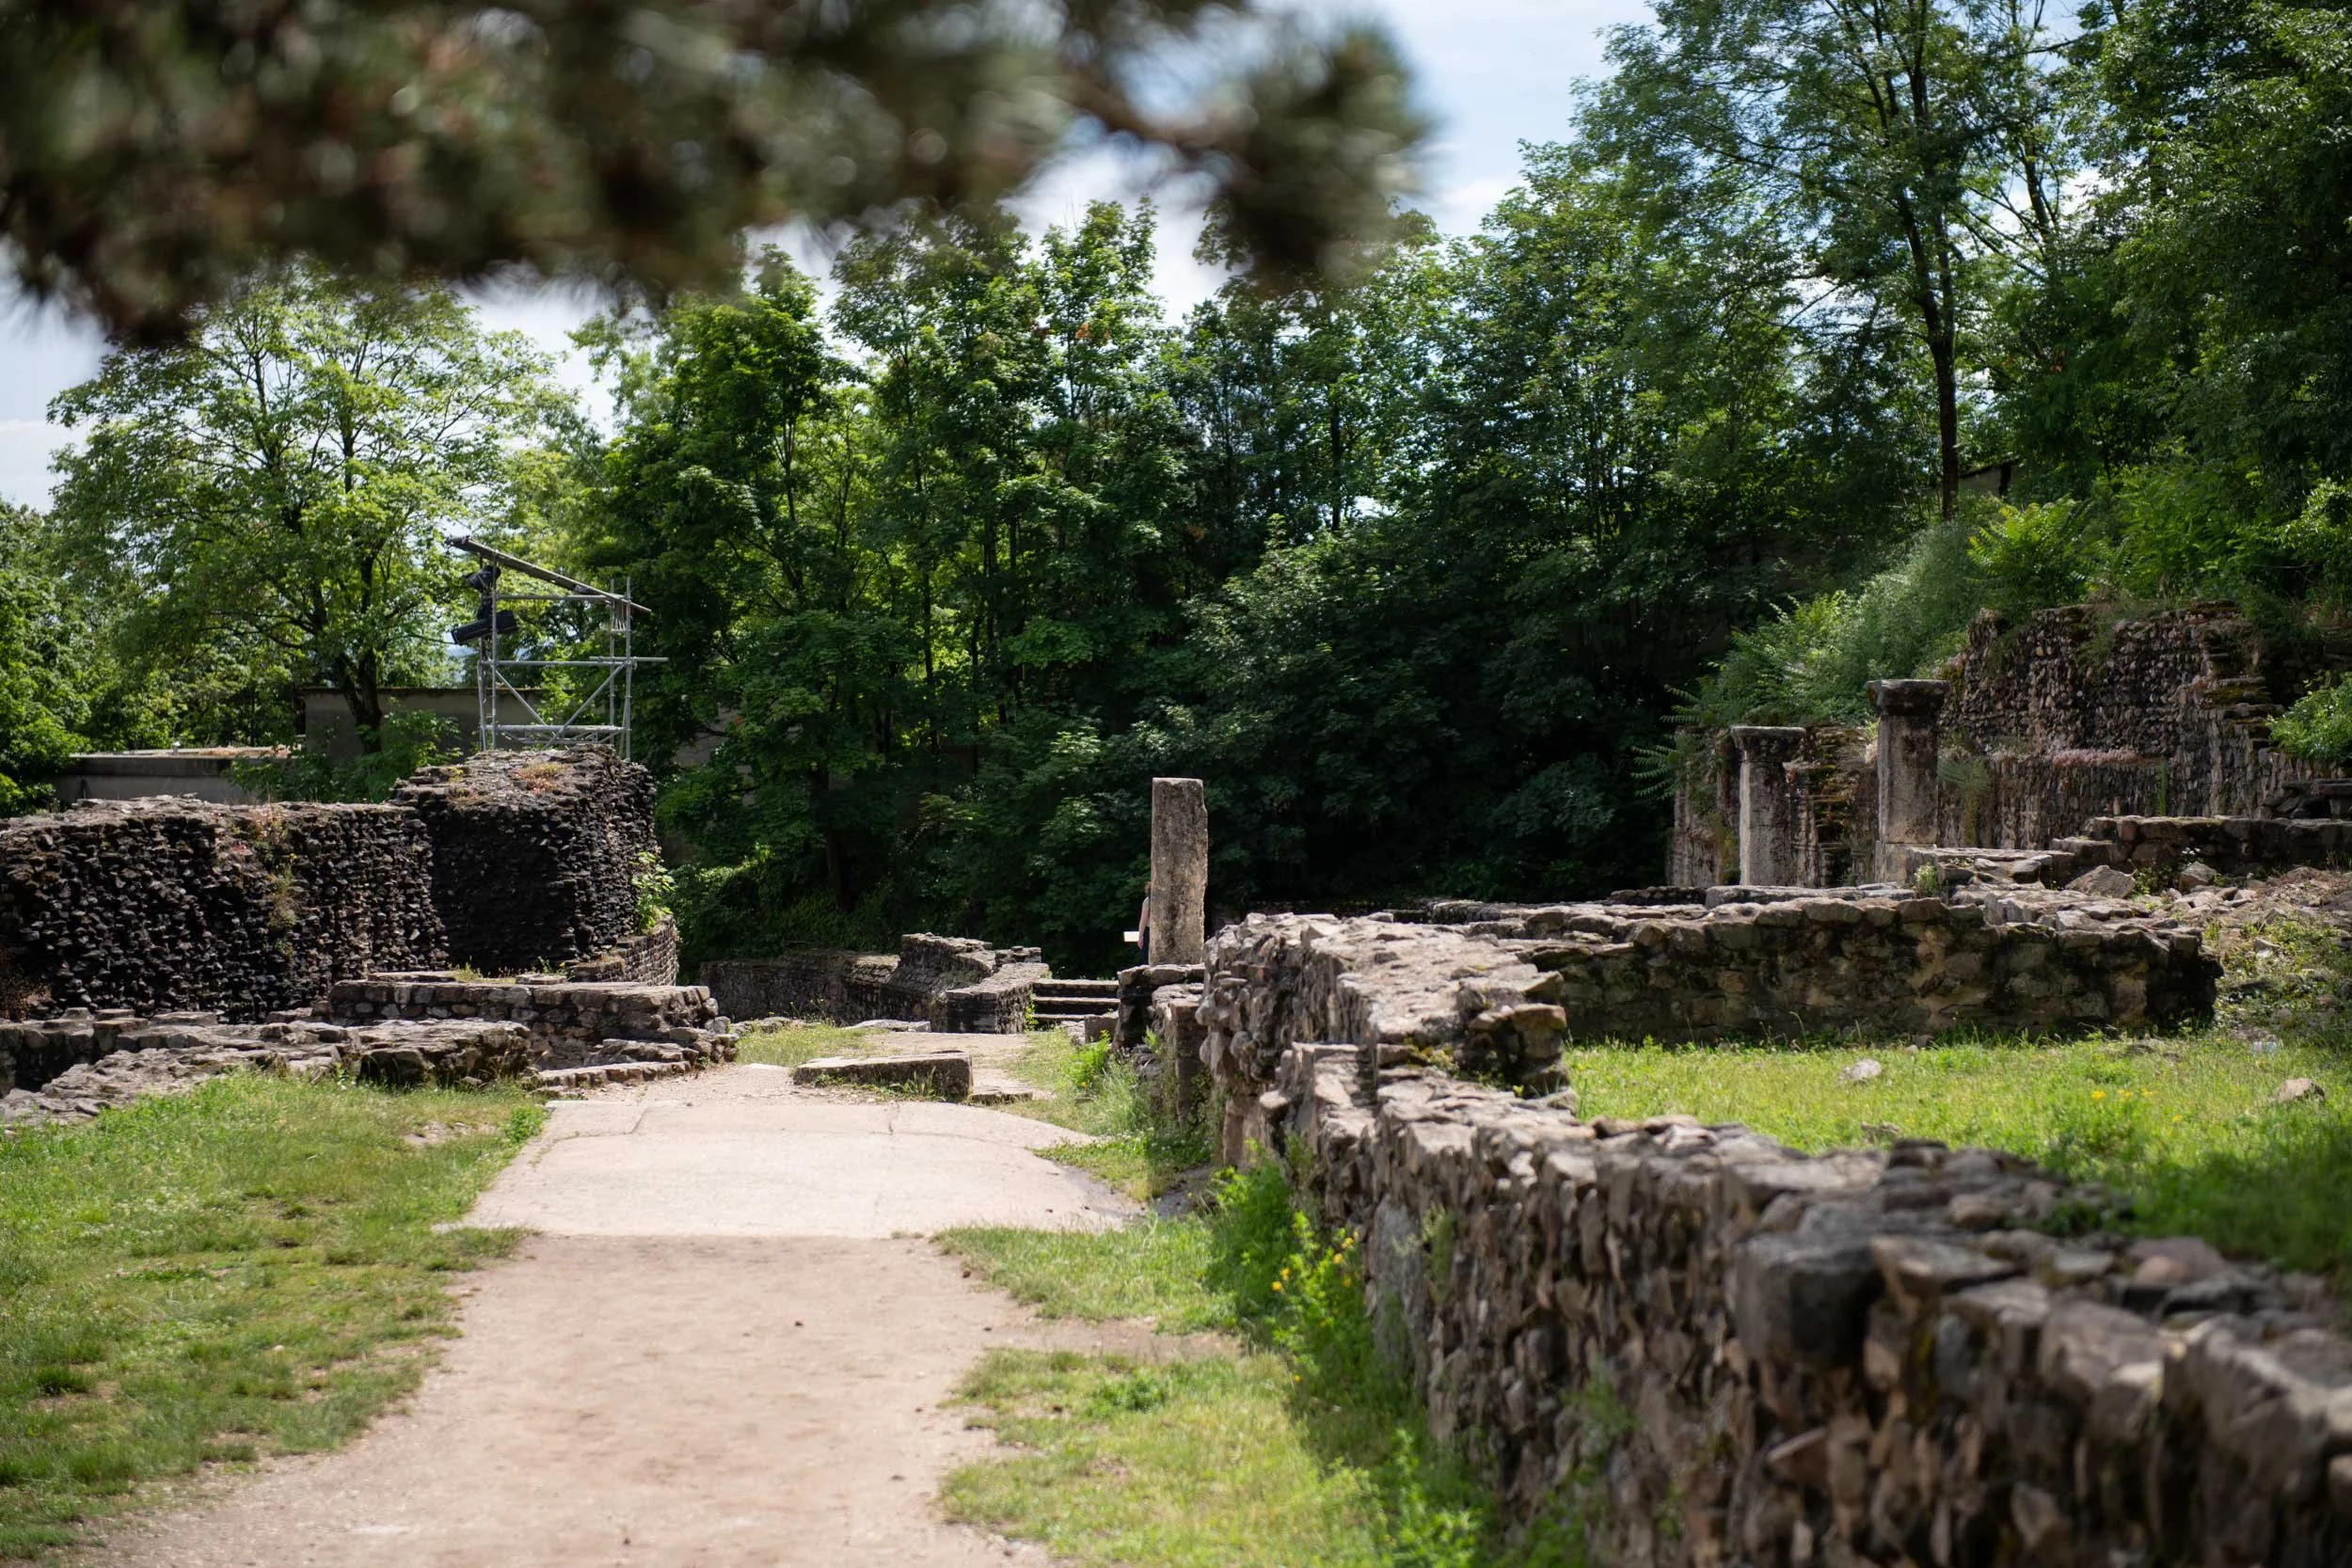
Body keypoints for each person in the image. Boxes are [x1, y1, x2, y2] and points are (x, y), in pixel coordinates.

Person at [1136, 886, 1152, 963]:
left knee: (1147, 958)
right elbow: (1144, 920)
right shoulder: (1148, 901)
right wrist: (1140, 936)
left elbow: (1143, 920)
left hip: (1149, 931)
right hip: (1149, 931)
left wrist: (1140, 937)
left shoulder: (1148, 900)